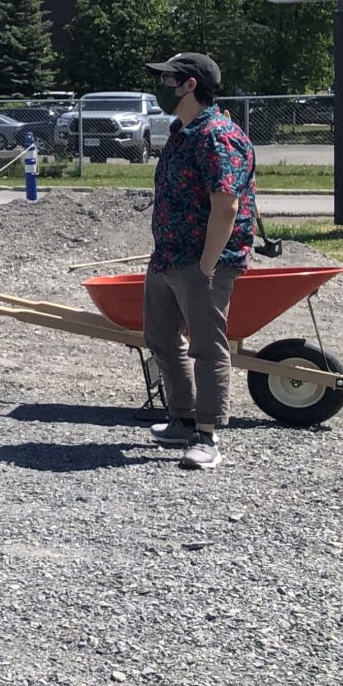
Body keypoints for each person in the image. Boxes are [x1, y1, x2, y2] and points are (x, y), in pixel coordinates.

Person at [142, 52, 256, 471]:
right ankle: (183, 417)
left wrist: (208, 266)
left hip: (202, 262)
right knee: (163, 339)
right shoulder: (181, 131)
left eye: (168, 79)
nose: (161, 86)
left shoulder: (217, 136)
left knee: (208, 348)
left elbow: (225, 206)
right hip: (168, 256)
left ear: (190, 85)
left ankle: (206, 435)